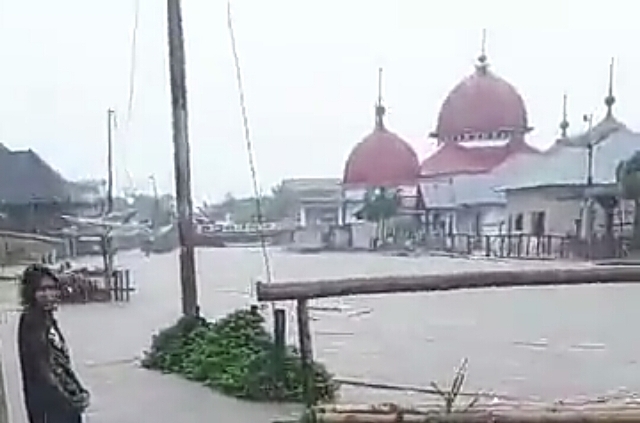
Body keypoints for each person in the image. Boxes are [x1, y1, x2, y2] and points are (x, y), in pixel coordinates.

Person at [18, 264, 90, 423]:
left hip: (61, 406)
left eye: (52, 288)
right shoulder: (32, 321)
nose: (48, 294)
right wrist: (70, 400)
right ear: (31, 293)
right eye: (42, 290)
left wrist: (78, 390)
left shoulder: (47, 319)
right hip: (50, 410)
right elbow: (42, 368)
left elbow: (61, 364)